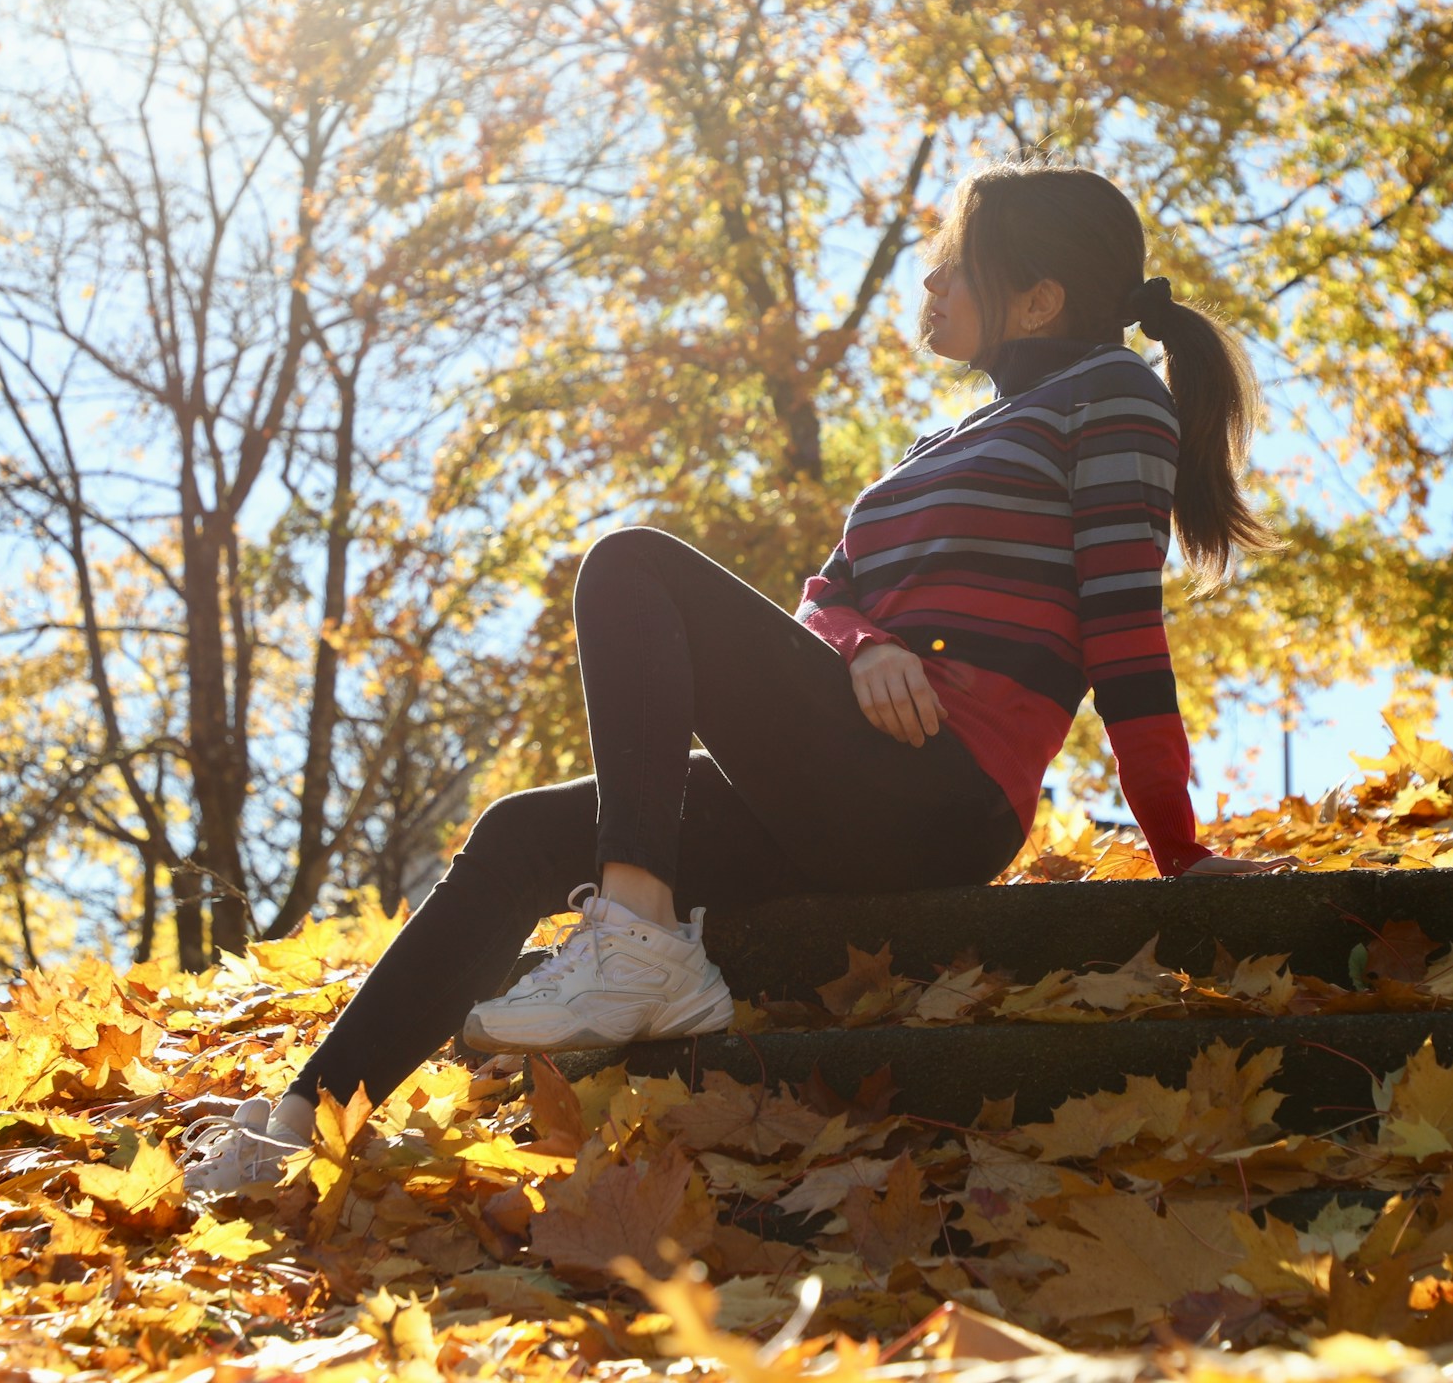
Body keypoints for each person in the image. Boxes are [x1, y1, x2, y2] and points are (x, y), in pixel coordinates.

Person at [179, 156, 1289, 1193]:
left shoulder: (1114, 397)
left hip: (940, 796)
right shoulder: (944, 441)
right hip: (840, 785)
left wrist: (1178, 846)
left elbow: (1123, 629)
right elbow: (827, 594)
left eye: (958, 256)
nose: (933, 274)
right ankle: (297, 1123)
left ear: (1039, 301)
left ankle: (638, 938)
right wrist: (871, 646)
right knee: (523, 831)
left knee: (630, 567)